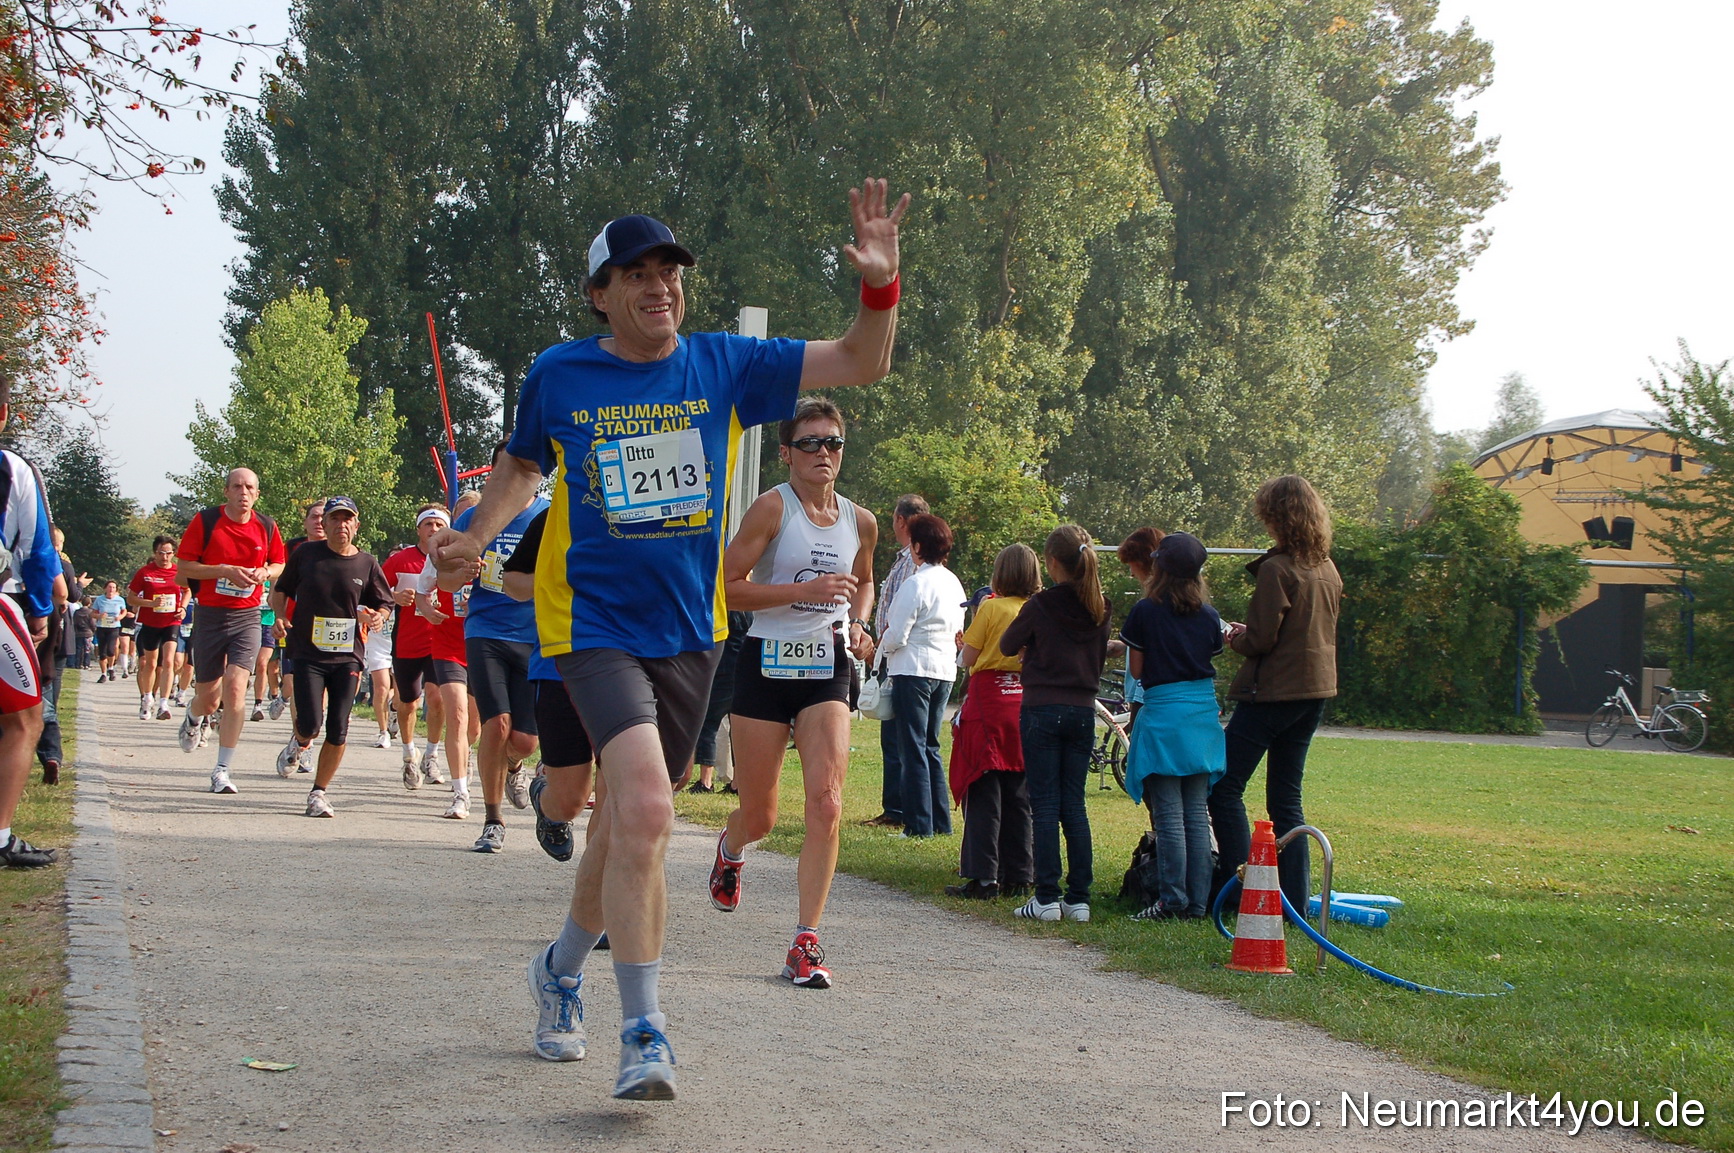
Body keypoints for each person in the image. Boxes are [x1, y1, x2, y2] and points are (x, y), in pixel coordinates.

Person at [432, 180, 907, 1099]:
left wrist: (880, 286)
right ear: (600, 293)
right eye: (635, 274)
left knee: (626, 821)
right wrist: (477, 535)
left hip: (690, 629)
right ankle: (644, 1030)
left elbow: (860, 360)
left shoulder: (724, 363)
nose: (659, 288)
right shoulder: (560, 373)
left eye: (670, 273)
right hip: (594, 624)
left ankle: (560, 967)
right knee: (645, 806)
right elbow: (523, 464)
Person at [707, 396, 878, 989]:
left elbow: (867, 579)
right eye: (810, 443)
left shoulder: (861, 520)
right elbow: (726, 588)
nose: (823, 453)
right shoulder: (770, 511)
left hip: (826, 668)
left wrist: (858, 620)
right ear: (786, 453)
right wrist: (794, 592)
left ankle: (805, 940)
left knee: (828, 801)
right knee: (760, 815)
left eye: (832, 442)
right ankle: (732, 846)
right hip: (765, 665)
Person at [1209, 475, 1341, 915]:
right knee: (1287, 799)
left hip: (1272, 693)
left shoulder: (1276, 569)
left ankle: (1240, 891)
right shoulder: (1326, 568)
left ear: (1276, 516)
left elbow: (1263, 640)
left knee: (1223, 788)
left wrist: (1237, 639)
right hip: (1314, 690)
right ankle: (1297, 905)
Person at [998, 524, 1111, 923]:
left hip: (1043, 707)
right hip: (1083, 710)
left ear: (1051, 562)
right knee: (1073, 804)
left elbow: (1007, 645)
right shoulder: (1100, 606)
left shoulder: (1042, 605)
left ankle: (1046, 896)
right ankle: (1078, 897)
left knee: (1044, 804)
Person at [441, 442, 549, 851]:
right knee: (496, 724)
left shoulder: (549, 517)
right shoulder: (474, 519)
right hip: (485, 630)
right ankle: (492, 819)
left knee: (523, 741)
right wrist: (460, 571)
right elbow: (447, 584)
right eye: (503, 466)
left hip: (533, 636)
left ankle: (512, 766)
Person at [1120, 532, 1227, 921]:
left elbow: (1137, 669)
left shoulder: (1145, 611)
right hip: (1202, 717)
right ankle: (1198, 903)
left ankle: (1172, 900)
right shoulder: (1209, 616)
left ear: (1158, 568)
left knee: (1168, 815)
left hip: (1164, 715)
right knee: (1197, 813)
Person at [268, 496, 394, 816]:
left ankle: (319, 792)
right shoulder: (307, 555)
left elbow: (384, 601)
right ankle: (299, 741)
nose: (341, 525)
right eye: (334, 519)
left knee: (338, 727)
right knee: (310, 724)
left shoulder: (366, 563)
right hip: (309, 652)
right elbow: (280, 591)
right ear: (323, 524)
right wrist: (281, 617)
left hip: (348, 656)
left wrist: (379, 615)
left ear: (356, 525)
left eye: (346, 519)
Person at [175, 468, 288, 794]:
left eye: (249, 487)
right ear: (226, 491)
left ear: (257, 493)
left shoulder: (266, 526)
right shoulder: (207, 522)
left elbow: (279, 563)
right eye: (237, 486)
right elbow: (184, 569)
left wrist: (266, 571)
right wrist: (222, 570)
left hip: (247, 618)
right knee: (209, 698)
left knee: (237, 689)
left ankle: (222, 770)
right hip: (210, 616)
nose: (243, 492)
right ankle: (194, 716)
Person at [499, 506, 597, 863]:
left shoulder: (653, 514)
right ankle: (547, 800)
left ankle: (602, 886)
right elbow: (512, 581)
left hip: (634, 663)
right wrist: (557, 579)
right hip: (561, 664)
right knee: (570, 800)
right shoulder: (557, 516)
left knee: (622, 791)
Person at [945, 543, 1040, 900]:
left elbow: (967, 658)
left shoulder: (991, 607)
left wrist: (965, 642)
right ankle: (1020, 872)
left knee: (984, 789)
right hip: (1025, 699)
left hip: (990, 701)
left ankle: (983, 876)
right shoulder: (1036, 608)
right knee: (1019, 792)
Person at [0, 384, 66, 867]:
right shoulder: (12, 468)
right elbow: (38, 549)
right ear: (4, 413)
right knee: (25, 719)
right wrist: (40, 610)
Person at [877, 513, 965, 840]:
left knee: (912, 747)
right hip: (944, 670)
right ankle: (940, 822)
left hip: (913, 669)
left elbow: (897, 632)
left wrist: (881, 650)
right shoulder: (953, 582)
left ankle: (917, 825)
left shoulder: (915, 582)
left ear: (917, 546)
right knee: (930, 746)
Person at [383, 506, 461, 795]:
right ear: (418, 529)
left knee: (437, 698)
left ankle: (431, 755)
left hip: (440, 642)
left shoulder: (453, 559)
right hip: (407, 643)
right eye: (428, 524)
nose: (433, 529)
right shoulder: (400, 560)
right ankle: (408, 754)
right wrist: (394, 596)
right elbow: (374, 590)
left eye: (439, 524)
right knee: (408, 703)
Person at [862, 492, 928, 828]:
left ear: (901, 521)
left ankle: (898, 810)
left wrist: (881, 647)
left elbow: (899, 617)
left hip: (899, 655)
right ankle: (904, 808)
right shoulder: (909, 560)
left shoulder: (911, 565)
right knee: (907, 738)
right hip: (897, 654)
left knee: (898, 738)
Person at [688, 610, 749, 794]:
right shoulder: (751, 612)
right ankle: (737, 783)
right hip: (744, 672)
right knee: (737, 729)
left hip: (722, 672)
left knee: (708, 724)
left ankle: (706, 781)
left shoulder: (725, 610)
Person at [128, 535, 188, 721]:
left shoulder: (179, 572)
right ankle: (147, 699)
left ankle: (164, 703)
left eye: (169, 553)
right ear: (155, 553)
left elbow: (188, 589)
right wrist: (150, 602)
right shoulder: (145, 572)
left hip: (172, 622)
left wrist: (183, 608)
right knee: (151, 664)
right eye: (162, 553)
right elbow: (131, 598)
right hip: (150, 622)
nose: (165, 557)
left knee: (169, 662)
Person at [1114, 527, 1164, 732]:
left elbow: (1138, 671)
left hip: (1147, 696)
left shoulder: (1147, 609)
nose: (1131, 573)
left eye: (1132, 565)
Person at [91, 580, 126, 680]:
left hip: (114, 627)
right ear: (105, 588)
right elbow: (92, 614)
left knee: (111, 650)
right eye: (110, 587)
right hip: (102, 627)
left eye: (114, 587)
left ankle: (111, 668)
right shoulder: (99, 599)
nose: (111, 589)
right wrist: (99, 615)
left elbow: (124, 611)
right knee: (102, 652)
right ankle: (103, 674)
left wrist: (120, 617)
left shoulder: (119, 600)